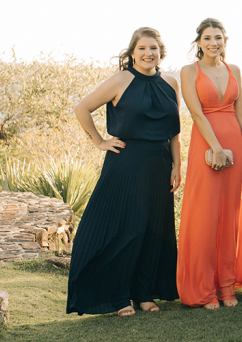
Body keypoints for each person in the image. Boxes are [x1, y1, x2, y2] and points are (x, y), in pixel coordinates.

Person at [67, 27, 181, 316]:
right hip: (126, 162)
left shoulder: (171, 83)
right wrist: (99, 141)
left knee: (153, 231)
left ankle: (143, 293)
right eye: (142, 48)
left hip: (160, 162)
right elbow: (83, 108)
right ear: (132, 52)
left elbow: (175, 132)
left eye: (153, 48)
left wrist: (178, 165)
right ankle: (118, 297)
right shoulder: (121, 80)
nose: (148, 53)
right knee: (126, 229)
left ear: (161, 51)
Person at [176, 18, 242, 309]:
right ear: (198, 42)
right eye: (208, 38)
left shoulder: (233, 70)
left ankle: (226, 285)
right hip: (207, 148)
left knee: (230, 217)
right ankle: (204, 288)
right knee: (206, 217)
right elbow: (196, 114)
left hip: (236, 147)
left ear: (226, 41)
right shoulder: (189, 72)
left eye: (218, 38)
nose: (213, 43)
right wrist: (217, 148)